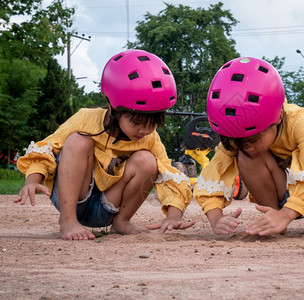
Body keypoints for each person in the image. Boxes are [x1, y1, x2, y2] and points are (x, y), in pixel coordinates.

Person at [14, 49, 194, 240]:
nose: (144, 131)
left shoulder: (150, 138)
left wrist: (174, 216)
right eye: (136, 123)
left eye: (152, 124)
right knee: (78, 140)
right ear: (114, 107)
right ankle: (67, 220)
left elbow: (169, 173)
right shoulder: (86, 118)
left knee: (148, 160)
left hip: (108, 207)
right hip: (73, 199)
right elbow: (47, 147)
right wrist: (32, 181)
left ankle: (121, 222)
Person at [193, 57, 304, 238]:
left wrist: (287, 214)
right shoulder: (236, 134)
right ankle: (273, 219)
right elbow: (212, 176)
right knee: (246, 156)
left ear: (277, 118)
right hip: (280, 192)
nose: (246, 145)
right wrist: (215, 218)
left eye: (253, 139)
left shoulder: (298, 119)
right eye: (237, 140)